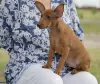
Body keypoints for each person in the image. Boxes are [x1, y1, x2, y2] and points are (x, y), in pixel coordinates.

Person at [0, 0, 96, 84]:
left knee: (88, 80)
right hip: (27, 67)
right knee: (51, 80)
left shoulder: (66, 1)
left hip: (65, 70)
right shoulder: (11, 3)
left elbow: (78, 38)